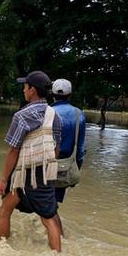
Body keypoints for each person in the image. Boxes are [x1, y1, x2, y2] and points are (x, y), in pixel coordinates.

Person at [0, 70, 63, 252]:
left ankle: (2, 249)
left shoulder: (21, 115)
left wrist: (3, 179)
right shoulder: (55, 115)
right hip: (45, 173)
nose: (24, 90)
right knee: (47, 218)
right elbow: (56, 149)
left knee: (9, 210)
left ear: (32, 90)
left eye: (25, 86)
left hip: (23, 174)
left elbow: (13, 150)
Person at [51, 79, 86, 226]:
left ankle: (56, 236)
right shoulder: (80, 115)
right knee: (52, 203)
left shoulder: (48, 112)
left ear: (52, 94)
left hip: (48, 164)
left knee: (46, 205)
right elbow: (80, 148)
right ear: (70, 94)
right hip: (67, 165)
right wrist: (76, 168)